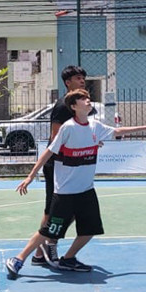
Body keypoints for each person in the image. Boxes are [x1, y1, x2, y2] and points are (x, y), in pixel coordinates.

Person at [6, 89, 146, 278]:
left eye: (88, 98)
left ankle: (68, 258)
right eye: (83, 99)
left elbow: (118, 131)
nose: (88, 101)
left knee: (90, 230)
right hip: (65, 193)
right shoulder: (68, 127)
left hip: (86, 191)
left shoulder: (95, 126)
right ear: (74, 106)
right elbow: (49, 152)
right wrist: (31, 176)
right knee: (49, 231)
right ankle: (19, 259)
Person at [30, 64, 93, 267]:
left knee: (73, 209)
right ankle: (43, 249)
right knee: (51, 210)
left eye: (83, 77)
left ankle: (44, 249)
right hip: (56, 164)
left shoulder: (81, 105)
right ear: (68, 83)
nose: (82, 80)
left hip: (72, 165)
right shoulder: (62, 106)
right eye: (77, 78)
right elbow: (55, 138)